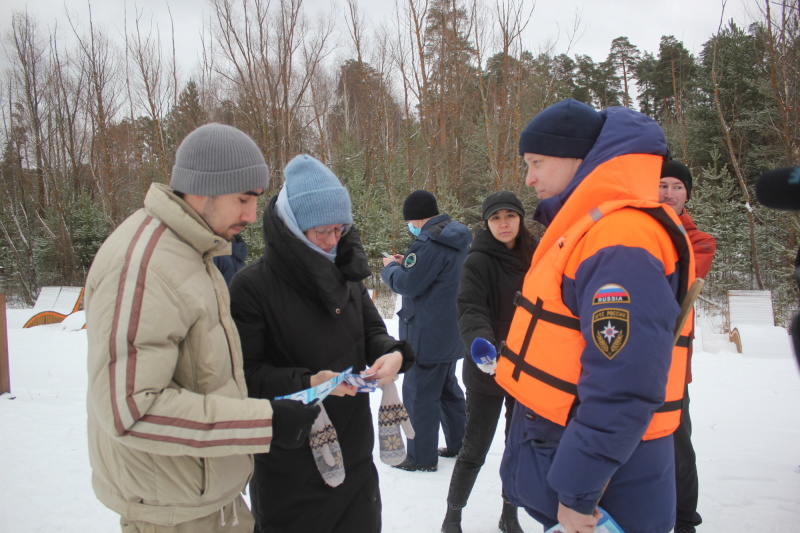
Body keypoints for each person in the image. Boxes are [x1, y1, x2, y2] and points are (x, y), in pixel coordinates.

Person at [85, 123, 320, 533]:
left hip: (209, 498)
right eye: (242, 199)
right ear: (201, 190)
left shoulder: (192, 251)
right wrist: (263, 422)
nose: (251, 214)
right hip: (172, 513)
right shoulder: (145, 267)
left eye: (256, 200)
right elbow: (130, 411)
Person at [496, 99, 696, 533]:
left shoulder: (619, 239)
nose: (529, 178)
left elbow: (623, 380)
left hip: (611, 484)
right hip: (597, 462)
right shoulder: (592, 229)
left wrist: (579, 490)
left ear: (578, 160)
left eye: (537, 162)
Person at [228, 154, 415, 533]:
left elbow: (372, 333)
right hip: (289, 466)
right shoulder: (251, 287)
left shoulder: (345, 276)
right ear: (294, 228)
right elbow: (245, 378)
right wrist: (310, 383)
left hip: (355, 457)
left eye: (340, 229)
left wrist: (392, 355)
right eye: (321, 232)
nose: (333, 242)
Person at [441, 191, 536, 533]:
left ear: (521, 218)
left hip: (529, 366)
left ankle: (509, 515)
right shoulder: (477, 260)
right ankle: (452, 516)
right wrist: (481, 343)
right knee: (475, 446)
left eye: (509, 215)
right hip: (488, 365)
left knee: (517, 446)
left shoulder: (536, 256)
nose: (503, 223)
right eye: (495, 218)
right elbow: (470, 307)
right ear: (487, 223)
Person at [381, 190, 471, 472]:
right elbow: (427, 274)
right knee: (447, 390)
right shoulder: (455, 237)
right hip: (451, 330)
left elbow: (409, 285)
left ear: (416, 218)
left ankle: (420, 458)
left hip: (426, 333)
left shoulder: (428, 243)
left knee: (419, 395)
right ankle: (461, 443)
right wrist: (405, 262)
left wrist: (389, 270)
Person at [659, 160, 716, 533]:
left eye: (677, 186)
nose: (668, 193)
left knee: (677, 438)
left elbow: (681, 281)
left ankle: (683, 519)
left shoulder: (700, 240)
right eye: (661, 185)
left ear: (687, 194)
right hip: (632, 353)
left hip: (674, 357)